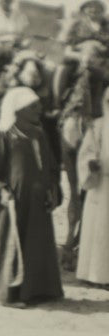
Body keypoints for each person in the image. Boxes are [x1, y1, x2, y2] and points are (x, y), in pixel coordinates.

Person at [0, 85, 65, 307]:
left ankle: (39, 291)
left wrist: (51, 188)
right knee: (13, 245)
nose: (39, 110)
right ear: (19, 108)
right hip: (13, 202)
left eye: (38, 105)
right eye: (33, 106)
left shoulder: (40, 134)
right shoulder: (2, 136)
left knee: (37, 243)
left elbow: (50, 166)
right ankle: (9, 294)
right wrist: (1, 190)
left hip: (38, 202)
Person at [77, 86, 109, 284]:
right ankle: (97, 275)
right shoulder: (97, 127)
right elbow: (85, 153)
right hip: (102, 185)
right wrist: (90, 163)